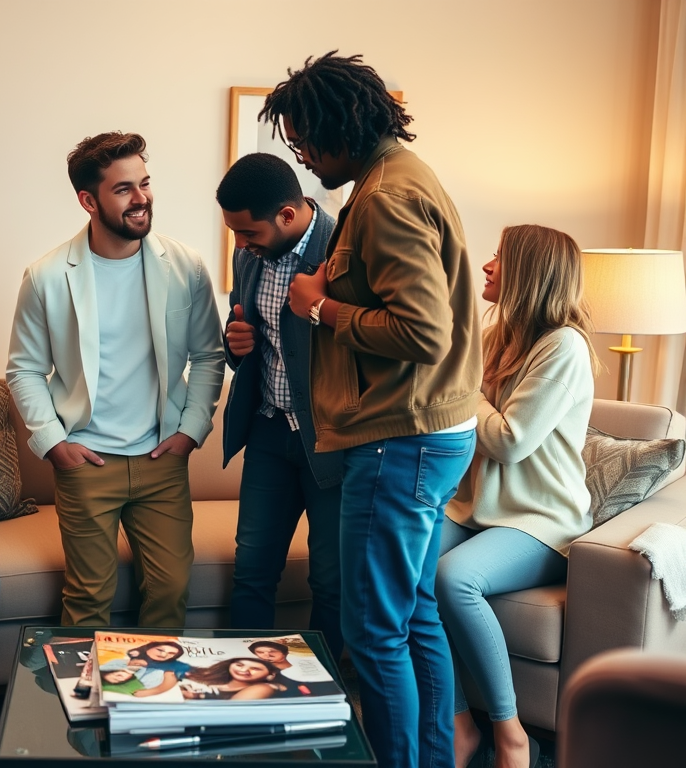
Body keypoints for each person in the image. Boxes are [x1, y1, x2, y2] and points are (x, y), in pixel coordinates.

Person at [264, 53, 483, 768]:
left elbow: (423, 333)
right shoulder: (395, 178)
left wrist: (320, 306)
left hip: (401, 440)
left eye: (302, 140)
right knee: (414, 614)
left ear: (338, 128)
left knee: (373, 631)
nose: (301, 155)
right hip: (429, 433)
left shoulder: (387, 196)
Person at [6, 131, 225, 627]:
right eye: (124, 189)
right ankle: (81, 706)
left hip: (161, 459)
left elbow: (209, 355)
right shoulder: (46, 276)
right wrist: (54, 442)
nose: (142, 198)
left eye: (144, 183)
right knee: (87, 601)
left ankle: (153, 704)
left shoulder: (186, 266)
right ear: (89, 200)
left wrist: (191, 431)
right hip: (86, 459)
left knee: (170, 591)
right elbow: (23, 368)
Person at [437, 225, 598, 768]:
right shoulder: (498, 335)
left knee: (454, 579)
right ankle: (458, 723)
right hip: (477, 509)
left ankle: (510, 731)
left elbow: (509, 440)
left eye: (499, 258)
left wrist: (462, 393)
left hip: (542, 522)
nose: (486, 266)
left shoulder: (565, 347)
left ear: (529, 272)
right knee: (405, 566)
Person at [216, 153, 344, 660]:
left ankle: (323, 697)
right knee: (252, 570)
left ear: (288, 216)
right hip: (269, 432)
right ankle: (239, 687)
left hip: (332, 439)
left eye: (249, 233)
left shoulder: (344, 251)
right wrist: (235, 343)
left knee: (330, 578)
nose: (240, 245)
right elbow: (245, 332)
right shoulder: (247, 257)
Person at [180, 657, 288, 700]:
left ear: (271, 675)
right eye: (239, 665)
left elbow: (229, 712)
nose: (244, 670)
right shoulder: (213, 681)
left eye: (255, 668)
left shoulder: (265, 688)